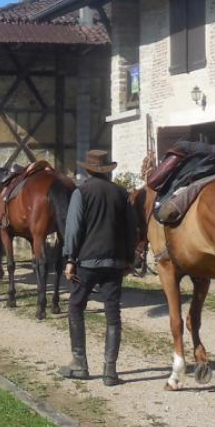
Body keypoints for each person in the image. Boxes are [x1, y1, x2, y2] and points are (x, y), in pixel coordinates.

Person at [58, 150, 137, 387]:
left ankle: (80, 363)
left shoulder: (81, 192)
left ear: (88, 170)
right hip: (114, 262)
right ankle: (110, 371)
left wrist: (70, 258)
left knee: (75, 306)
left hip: (86, 262)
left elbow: (73, 228)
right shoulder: (122, 194)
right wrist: (129, 259)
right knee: (113, 315)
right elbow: (131, 229)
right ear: (108, 171)